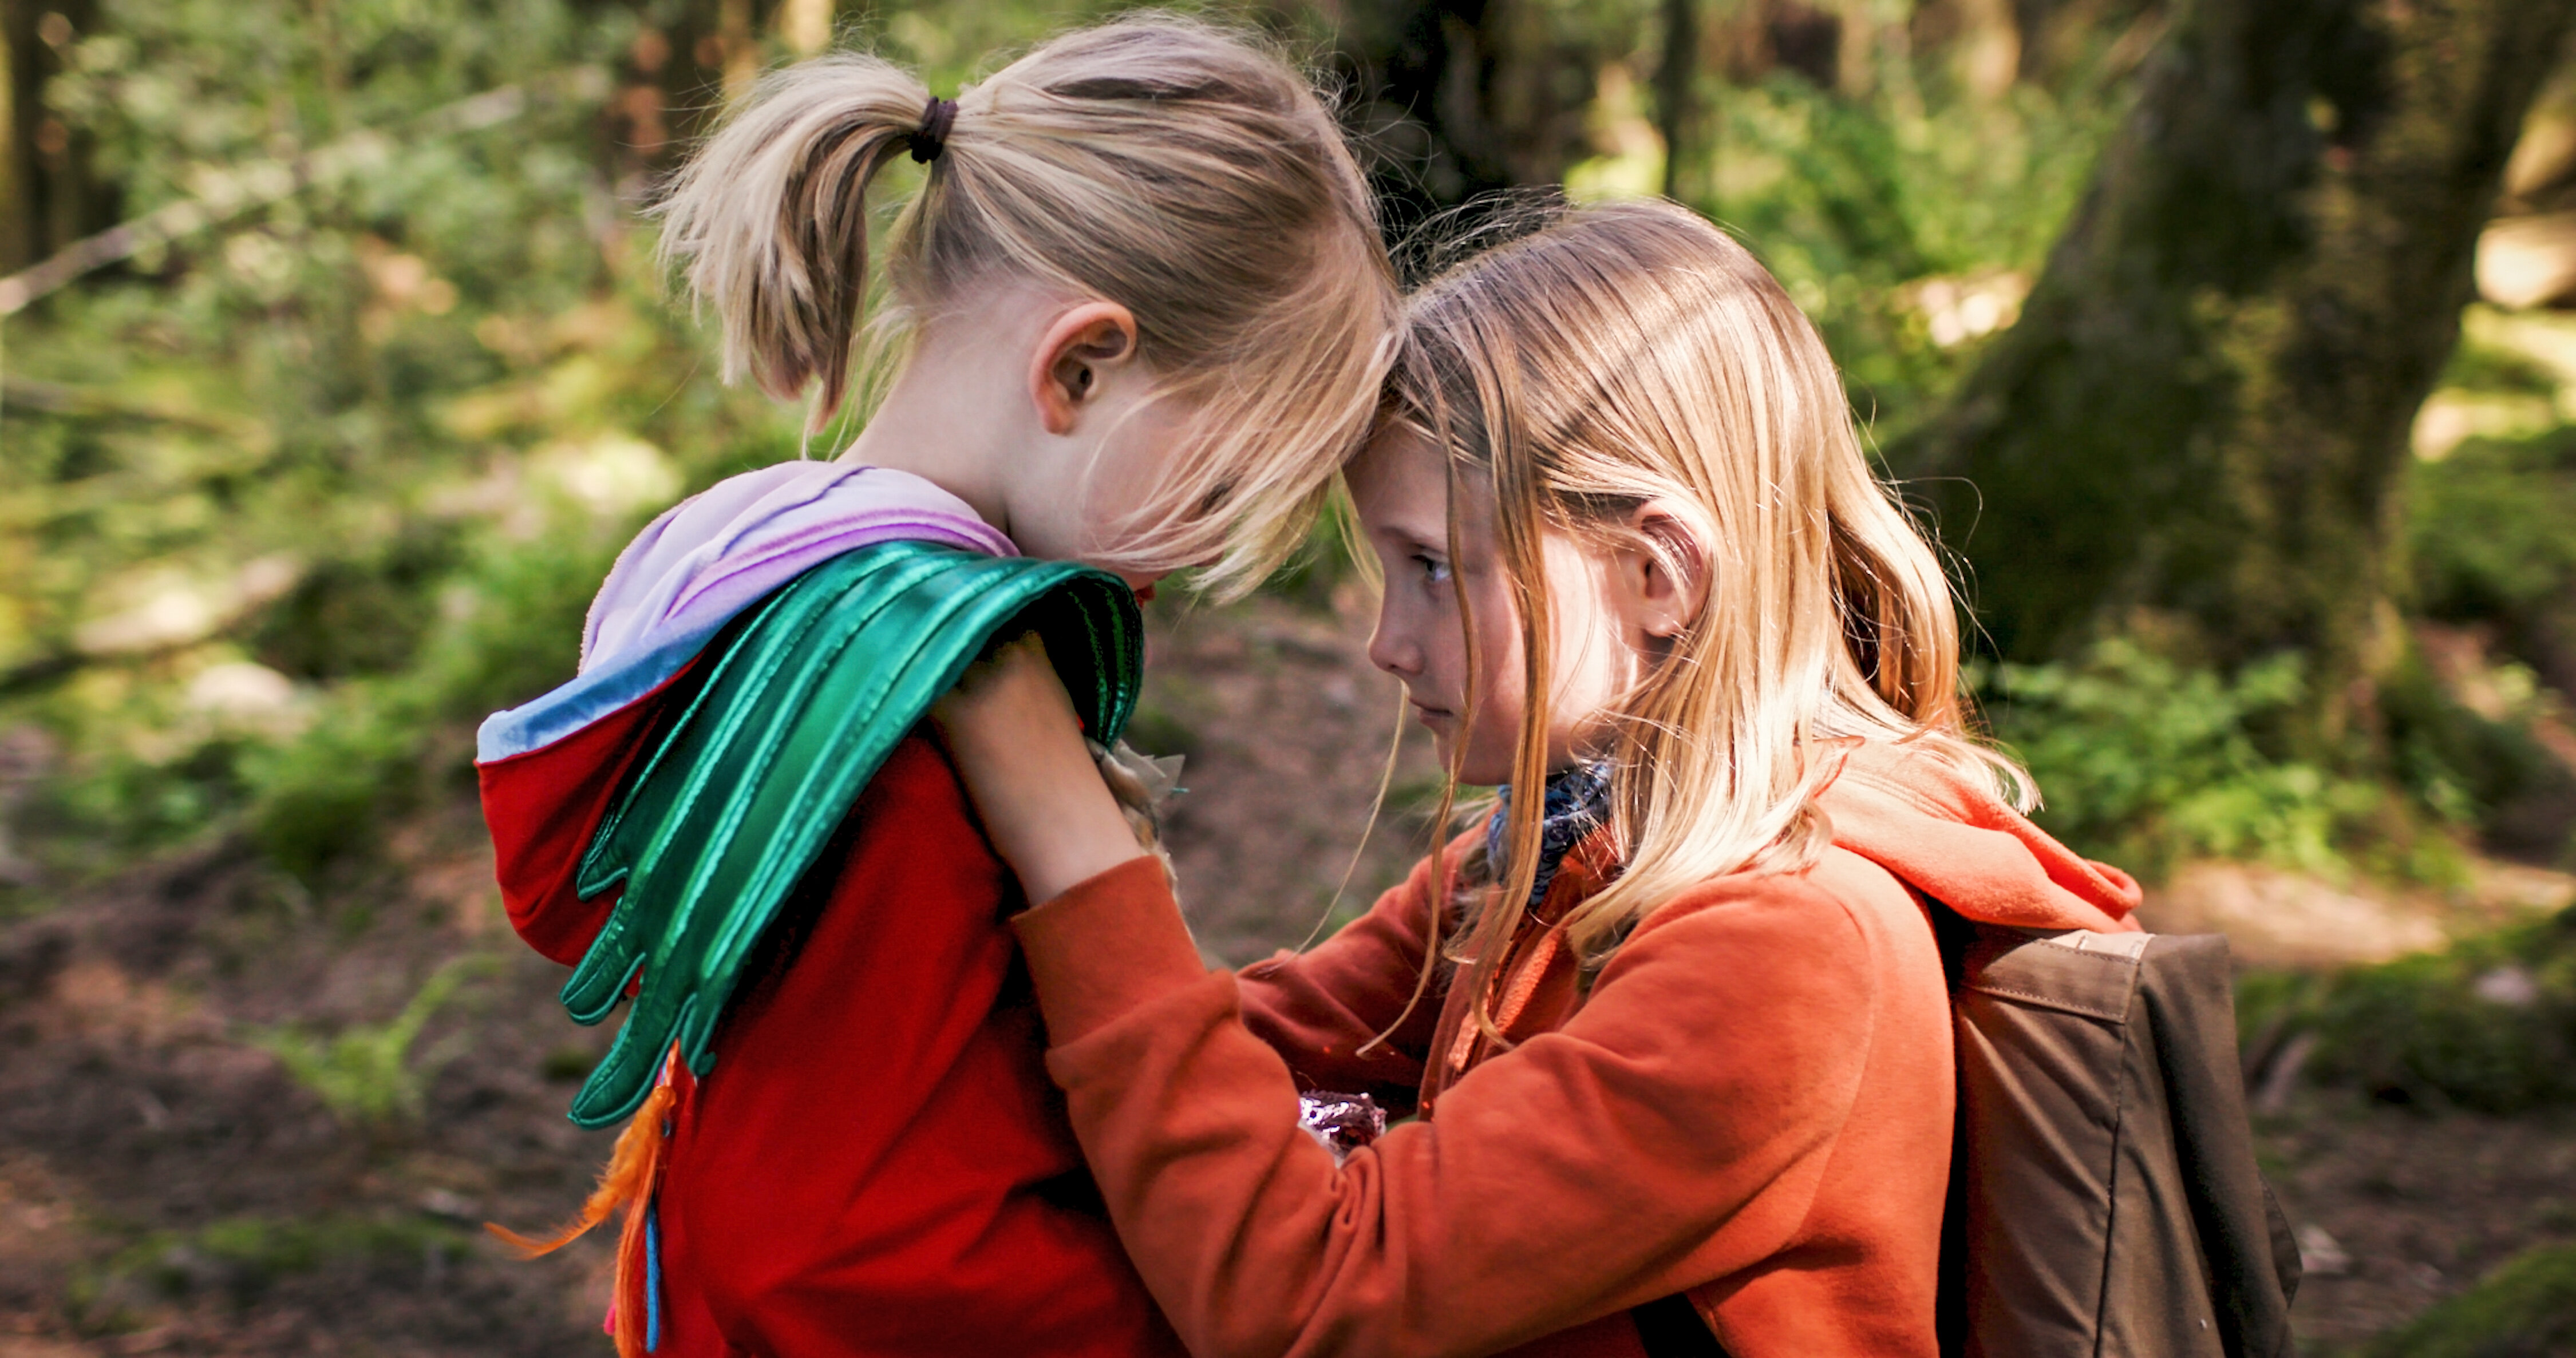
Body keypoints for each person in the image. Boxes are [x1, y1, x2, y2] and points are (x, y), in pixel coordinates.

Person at [931, 198, 2144, 1357]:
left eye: (1432, 568)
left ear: (1659, 576)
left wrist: (1075, 844)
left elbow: (1301, 1293)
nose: (1387, 643)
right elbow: (1234, 1050)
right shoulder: (1546, 856)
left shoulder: (1788, 948)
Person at [475, 17, 1396, 1357]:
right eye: (1221, 485)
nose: (1201, 555)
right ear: (1079, 367)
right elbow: (854, 1239)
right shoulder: (907, 721)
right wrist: (1162, 1309)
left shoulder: (773, 569)